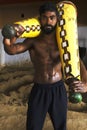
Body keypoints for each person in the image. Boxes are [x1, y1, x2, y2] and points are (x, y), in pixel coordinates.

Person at [2, 2, 87, 130]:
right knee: (33, 127)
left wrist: (85, 84)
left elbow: (78, 62)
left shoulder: (63, 41)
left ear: (57, 19)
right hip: (39, 90)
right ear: (40, 18)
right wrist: (9, 38)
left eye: (52, 18)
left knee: (60, 127)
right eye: (44, 17)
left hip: (58, 90)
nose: (48, 21)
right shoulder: (33, 40)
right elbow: (12, 50)